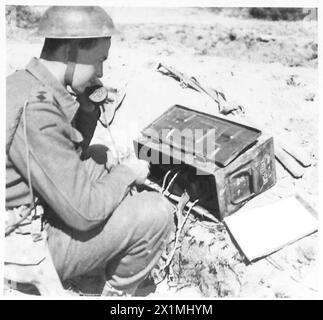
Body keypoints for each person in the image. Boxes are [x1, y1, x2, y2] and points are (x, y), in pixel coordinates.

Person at [6, 6, 174, 295]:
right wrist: (126, 173)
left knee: (96, 156)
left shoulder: (25, 84)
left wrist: (86, 109)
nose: (100, 71)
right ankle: (108, 293)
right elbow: (83, 213)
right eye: (98, 60)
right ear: (70, 51)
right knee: (156, 212)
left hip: (20, 214)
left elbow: (61, 154)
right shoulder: (36, 110)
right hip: (19, 248)